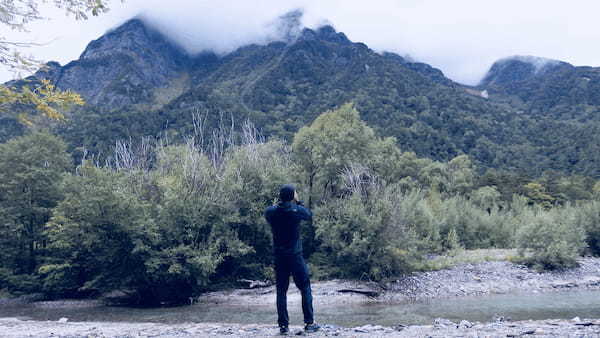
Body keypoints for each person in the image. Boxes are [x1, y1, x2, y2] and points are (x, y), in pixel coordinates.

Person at [265, 184, 320, 335]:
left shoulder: (272, 212)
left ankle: (283, 326)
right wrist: (299, 202)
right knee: (305, 287)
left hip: (279, 257)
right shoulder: (297, 211)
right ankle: (309, 323)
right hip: (295, 257)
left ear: (280, 197)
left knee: (281, 291)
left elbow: (269, 211)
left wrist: (280, 202)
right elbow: (308, 215)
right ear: (293, 196)